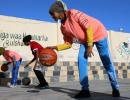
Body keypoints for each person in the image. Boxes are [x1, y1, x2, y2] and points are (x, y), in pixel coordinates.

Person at [48, 1, 120, 98]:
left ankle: (115, 88)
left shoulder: (74, 13)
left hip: (99, 33)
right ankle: (85, 90)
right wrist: (56, 47)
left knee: (105, 60)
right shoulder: (63, 27)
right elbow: (68, 44)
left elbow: (88, 27)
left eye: (53, 14)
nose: (52, 17)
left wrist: (90, 46)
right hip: (86, 40)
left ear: (59, 11)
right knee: (81, 59)